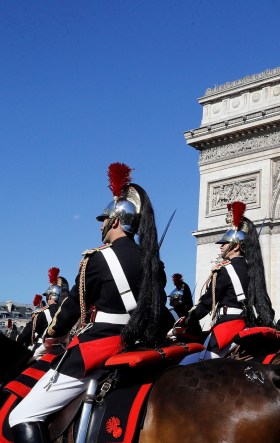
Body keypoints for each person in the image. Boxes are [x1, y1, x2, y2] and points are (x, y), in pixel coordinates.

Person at [9, 162, 170, 442]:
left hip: (103, 345)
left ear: (115, 221)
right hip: (145, 341)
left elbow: (72, 307)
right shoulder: (153, 261)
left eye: (103, 219)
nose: (101, 225)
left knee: (21, 416)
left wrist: (53, 336)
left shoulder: (97, 259)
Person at [181, 201, 274, 363]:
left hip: (228, 325)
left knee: (187, 364)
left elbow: (207, 302)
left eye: (224, 243)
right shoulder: (251, 270)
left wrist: (190, 318)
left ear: (236, 246)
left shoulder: (224, 270)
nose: (221, 246)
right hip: (244, 323)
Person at [16, 268, 68, 358]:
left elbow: (25, 334)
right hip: (62, 351)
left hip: (43, 351)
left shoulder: (43, 313)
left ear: (50, 295)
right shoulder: (66, 311)